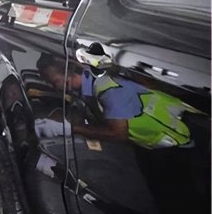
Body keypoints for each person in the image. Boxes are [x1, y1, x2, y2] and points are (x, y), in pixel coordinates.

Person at [35, 52, 199, 148]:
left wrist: (70, 129)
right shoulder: (89, 86)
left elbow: (118, 133)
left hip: (186, 136)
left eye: (54, 82)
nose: (55, 87)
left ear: (67, 72)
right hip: (167, 139)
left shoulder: (108, 90)